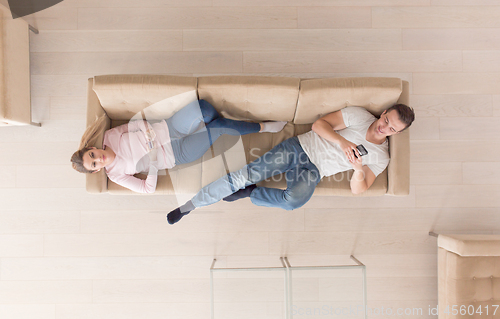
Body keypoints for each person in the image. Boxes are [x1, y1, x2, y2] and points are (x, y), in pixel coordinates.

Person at [167, 104, 415, 224]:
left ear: (397, 133)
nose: (384, 127)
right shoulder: (360, 116)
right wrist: (342, 143)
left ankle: (252, 194)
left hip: (314, 171)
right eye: (386, 119)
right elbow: (319, 125)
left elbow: (358, 190)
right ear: (384, 113)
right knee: (246, 174)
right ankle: (191, 205)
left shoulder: (381, 156)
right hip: (299, 148)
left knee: (294, 201)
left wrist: (359, 168)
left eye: (392, 128)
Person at [71, 99, 287, 193]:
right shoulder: (115, 175)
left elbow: (135, 124)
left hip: (170, 128)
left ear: (92, 147)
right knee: (219, 126)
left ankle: (212, 128)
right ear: (96, 170)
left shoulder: (109, 136)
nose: (98, 158)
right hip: (178, 154)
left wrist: (147, 131)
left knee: (205, 109)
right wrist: (154, 161)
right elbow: (147, 189)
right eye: (94, 164)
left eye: (92, 154)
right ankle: (263, 128)